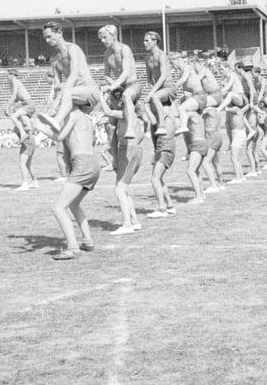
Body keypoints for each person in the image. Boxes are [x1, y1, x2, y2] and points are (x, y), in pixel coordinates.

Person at [49, 104, 101, 260]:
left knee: (58, 208)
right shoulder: (85, 118)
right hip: (92, 163)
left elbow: (58, 137)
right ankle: (87, 240)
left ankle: (72, 247)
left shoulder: (73, 115)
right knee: (74, 204)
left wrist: (39, 126)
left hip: (82, 163)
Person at [36, 21, 101, 135]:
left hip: (89, 90)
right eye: (45, 38)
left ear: (59, 33)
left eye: (49, 36)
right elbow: (57, 86)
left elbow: (74, 74)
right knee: (71, 126)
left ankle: (56, 121)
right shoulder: (54, 60)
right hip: (74, 96)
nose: (47, 41)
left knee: (66, 95)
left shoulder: (72, 48)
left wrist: (57, 103)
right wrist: (52, 106)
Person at [98, 91, 144, 235]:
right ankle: (134, 221)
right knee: (123, 188)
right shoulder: (133, 117)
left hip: (128, 149)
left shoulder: (126, 114)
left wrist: (100, 95)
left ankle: (127, 224)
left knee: (119, 190)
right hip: (135, 149)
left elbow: (107, 111)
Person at [98, 25, 141, 140]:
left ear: (113, 36)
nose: (102, 41)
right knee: (111, 122)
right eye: (101, 38)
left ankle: (131, 129)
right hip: (119, 88)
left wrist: (113, 86)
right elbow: (106, 75)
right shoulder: (107, 54)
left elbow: (126, 71)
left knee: (126, 95)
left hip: (132, 86)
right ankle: (113, 154)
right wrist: (114, 85)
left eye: (105, 37)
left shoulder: (124, 49)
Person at [142, 31, 177, 137]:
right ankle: (151, 128)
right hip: (158, 89)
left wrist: (152, 93)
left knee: (154, 97)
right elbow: (149, 79)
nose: (144, 43)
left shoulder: (162, 55)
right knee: (149, 103)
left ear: (155, 41)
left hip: (168, 88)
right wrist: (150, 91)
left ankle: (162, 125)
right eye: (144, 41)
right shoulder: (147, 58)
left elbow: (163, 77)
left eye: (147, 41)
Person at [148, 111, 178, 217]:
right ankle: (170, 205)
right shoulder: (167, 113)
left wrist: (145, 106)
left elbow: (152, 120)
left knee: (154, 178)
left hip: (165, 148)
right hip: (165, 148)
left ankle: (161, 208)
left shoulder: (164, 113)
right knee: (159, 178)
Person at [6, 68, 36, 144]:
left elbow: (14, 96)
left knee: (13, 117)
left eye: (8, 75)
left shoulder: (15, 81)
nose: (7, 77)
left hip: (29, 105)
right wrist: (12, 107)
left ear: (12, 75)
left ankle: (23, 134)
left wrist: (7, 107)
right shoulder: (14, 83)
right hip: (26, 104)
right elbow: (16, 98)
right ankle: (26, 136)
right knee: (22, 120)